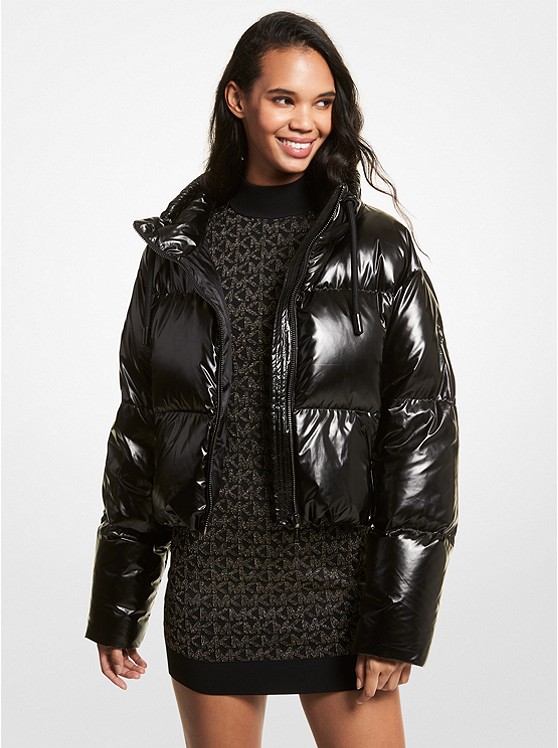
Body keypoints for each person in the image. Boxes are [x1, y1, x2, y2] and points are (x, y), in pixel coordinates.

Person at [84, 10, 459, 748]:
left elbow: (422, 435)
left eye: (323, 103)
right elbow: (140, 428)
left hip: (341, 588)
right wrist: (120, 599)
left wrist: (396, 619)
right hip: (213, 583)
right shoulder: (177, 250)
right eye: (284, 98)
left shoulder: (378, 248)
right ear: (238, 99)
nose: (306, 122)